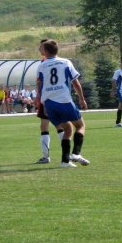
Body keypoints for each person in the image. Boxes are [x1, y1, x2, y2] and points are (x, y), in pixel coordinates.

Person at [37, 39, 89, 168]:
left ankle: (65, 161)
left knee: (67, 128)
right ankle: (76, 153)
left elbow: (40, 85)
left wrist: (42, 103)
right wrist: (82, 98)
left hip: (49, 103)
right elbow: (75, 82)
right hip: (63, 100)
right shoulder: (65, 62)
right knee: (80, 126)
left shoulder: (41, 66)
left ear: (46, 51)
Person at [33, 39, 65, 164]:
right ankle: (66, 154)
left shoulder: (44, 63)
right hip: (59, 97)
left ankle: (46, 157)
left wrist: (37, 96)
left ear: (46, 49)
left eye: (41, 47)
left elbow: (40, 82)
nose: (39, 49)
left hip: (46, 97)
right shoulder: (61, 61)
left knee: (45, 126)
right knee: (60, 125)